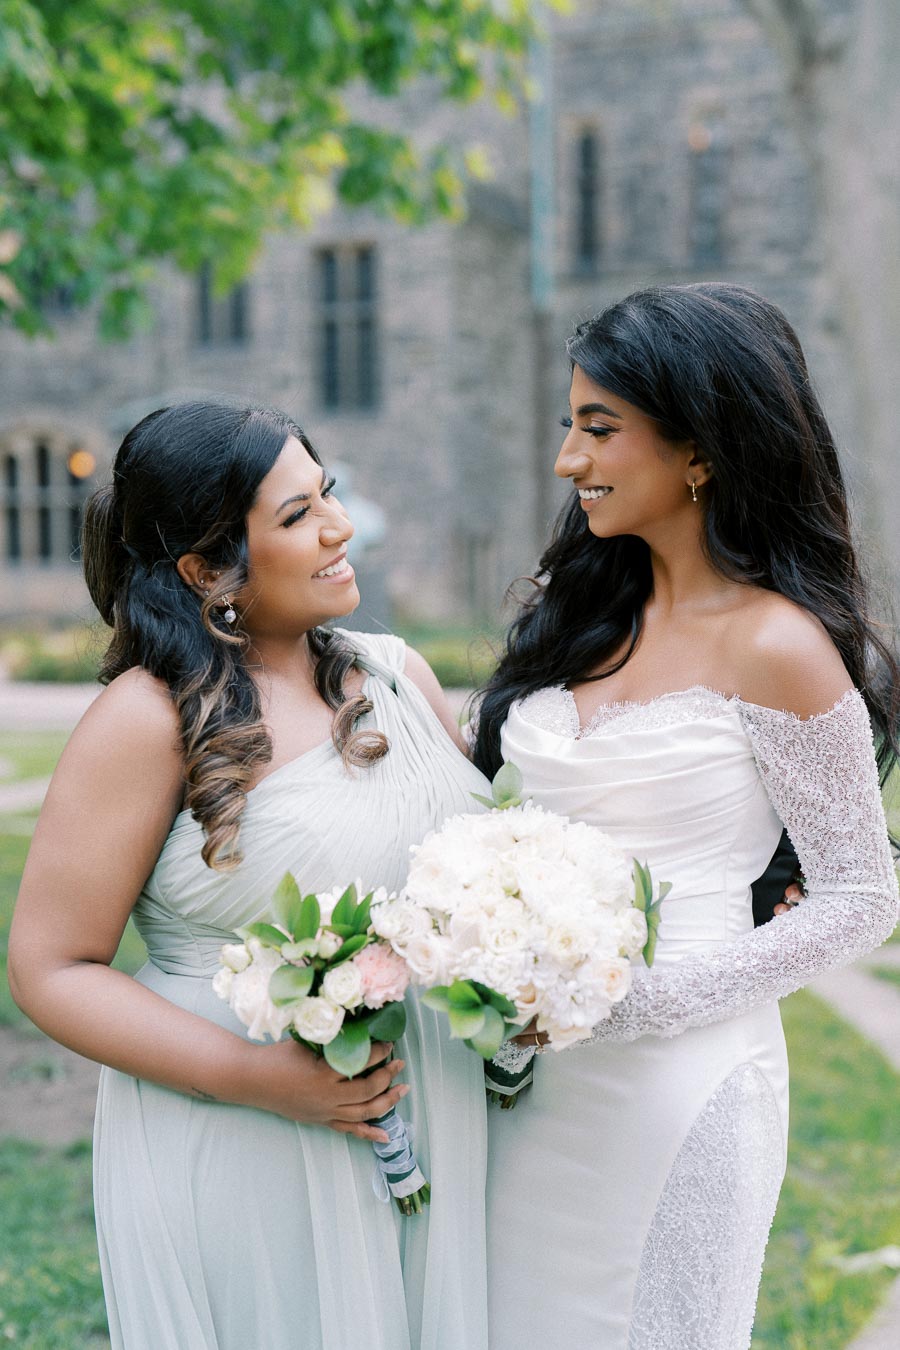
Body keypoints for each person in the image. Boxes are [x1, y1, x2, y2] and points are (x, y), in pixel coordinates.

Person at [8, 403, 491, 1350]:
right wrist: (256, 1077)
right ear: (205, 567)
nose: (339, 528)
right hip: (248, 1134)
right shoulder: (146, 721)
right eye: (298, 514)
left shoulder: (396, 675)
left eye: (330, 496)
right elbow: (49, 967)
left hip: (430, 1109)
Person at [473, 283, 900, 1350]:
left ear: (700, 447)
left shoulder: (778, 644)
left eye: (598, 427)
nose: (569, 459)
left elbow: (858, 897)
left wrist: (640, 1001)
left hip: (683, 1081)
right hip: (529, 1089)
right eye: (571, 426)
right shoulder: (576, 619)